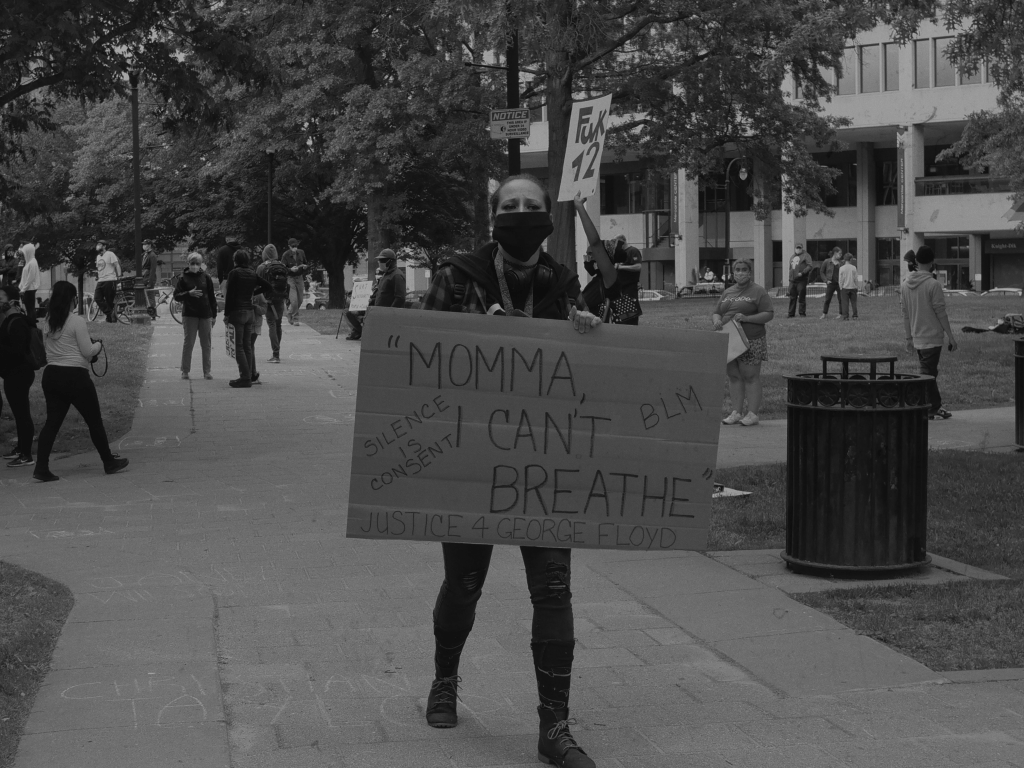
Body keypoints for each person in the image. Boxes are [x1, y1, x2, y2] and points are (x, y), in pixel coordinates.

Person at [419, 174, 600, 768]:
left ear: (550, 216)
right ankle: (445, 679)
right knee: (465, 584)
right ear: (492, 215)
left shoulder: (565, 284)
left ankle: (555, 726)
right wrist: (477, 333)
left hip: (544, 464)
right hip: (473, 459)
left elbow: (603, 375)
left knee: (553, 586)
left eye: (532, 206)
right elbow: (423, 360)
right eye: (509, 206)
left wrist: (593, 336)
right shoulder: (456, 277)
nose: (521, 214)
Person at [33, 281, 129, 482]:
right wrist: (98, 346)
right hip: (75, 377)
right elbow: (87, 352)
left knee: (52, 423)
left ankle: (41, 467)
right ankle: (108, 461)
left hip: (52, 375)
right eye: (75, 297)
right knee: (94, 421)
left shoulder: (48, 321)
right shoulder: (76, 321)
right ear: (71, 299)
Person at [713, 259, 774, 427]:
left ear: (750, 272)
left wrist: (747, 318)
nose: (740, 273)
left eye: (743, 269)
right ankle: (736, 411)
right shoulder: (728, 292)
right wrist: (717, 321)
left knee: (750, 376)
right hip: (729, 338)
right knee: (734, 376)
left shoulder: (758, 291)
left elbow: (768, 313)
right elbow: (717, 312)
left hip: (751, 340)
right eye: (737, 270)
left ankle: (752, 413)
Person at [900, 245, 957, 419]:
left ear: (916, 261)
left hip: (917, 337)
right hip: (933, 338)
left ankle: (932, 407)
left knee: (929, 373)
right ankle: (921, 405)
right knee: (927, 374)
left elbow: (906, 315)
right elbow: (941, 313)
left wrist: (909, 337)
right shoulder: (934, 285)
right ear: (932, 262)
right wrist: (951, 337)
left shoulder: (905, 285)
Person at [573, 200, 643, 324]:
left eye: (591, 255)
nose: (587, 259)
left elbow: (595, 242)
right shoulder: (598, 281)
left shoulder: (609, 279)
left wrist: (580, 207)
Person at [222, 250, 273, 388]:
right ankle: (250, 374)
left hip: (237, 311)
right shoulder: (252, 273)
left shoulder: (234, 273)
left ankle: (244, 377)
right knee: (247, 346)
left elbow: (230, 296)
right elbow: (268, 286)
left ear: (235, 260)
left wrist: (226, 314)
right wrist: (251, 292)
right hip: (250, 312)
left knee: (238, 346)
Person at [0, 286, 36, 467]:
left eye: (1, 298)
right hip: (14, 373)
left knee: (22, 414)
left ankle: (26, 454)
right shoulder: (10, 320)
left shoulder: (17, 321)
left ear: (12, 301)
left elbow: (17, 350)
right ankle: (21, 448)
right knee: (19, 413)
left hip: (19, 373)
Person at [174, 253, 218, 380]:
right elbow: (177, 296)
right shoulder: (183, 278)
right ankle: (185, 370)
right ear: (188, 264)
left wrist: (214, 315)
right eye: (192, 263)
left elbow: (211, 297)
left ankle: (207, 371)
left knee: (206, 344)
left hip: (205, 314)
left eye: (197, 264)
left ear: (200, 265)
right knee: (189, 343)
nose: (194, 266)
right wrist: (188, 293)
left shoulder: (206, 277)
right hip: (189, 314)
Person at [255, 245, 288, 363]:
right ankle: (277, 352)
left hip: (267, 299)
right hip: (280, 298)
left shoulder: (262, 267)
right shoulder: (282, 266)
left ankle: (275, 354)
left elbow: (257, 283)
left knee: (271, 324)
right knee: (278, 324)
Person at [343, 269, 382, 341]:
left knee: (349, 312)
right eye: (376, 274)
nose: (377, 276)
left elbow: (380, 298)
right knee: (346, 311)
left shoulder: (381, 286)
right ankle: (357, 330)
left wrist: (371, 300)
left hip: (371, 308)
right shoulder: (375, 286)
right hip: (364, 306)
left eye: (379, 274)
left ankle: (358, 331)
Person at [94, 239, 122, 323]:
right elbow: (99, 268)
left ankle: (111, 320)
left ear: (104, 246)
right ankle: (110, 313)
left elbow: (116, 265)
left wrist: (119, 276)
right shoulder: (98, 256)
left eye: (100, 244)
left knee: (109, 300)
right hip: (101, 280)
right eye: (97, 244)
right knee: (97, 298)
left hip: (110, 280)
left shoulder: (110, 254)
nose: (98, 246)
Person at [282, 238, 308, 325]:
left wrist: (304, 267)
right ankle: (296, 318)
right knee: (294, 300)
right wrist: (290, 269)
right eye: (293, 246)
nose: (295, 248)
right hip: (290, 278)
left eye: (296, 246)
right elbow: (282, 268)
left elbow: (305, 262)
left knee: (300, 300)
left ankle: (289, 313)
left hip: (299, 277)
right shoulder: (285, 255)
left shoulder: (301, 252)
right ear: (289, 246)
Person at [17, 241, 41, 325]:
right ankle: (31, 324)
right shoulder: (29, 262)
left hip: (29, 289)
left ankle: (32, 325)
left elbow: (30, 278)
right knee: (29, 308)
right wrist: (21, 287)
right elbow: (25, 278)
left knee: (30, 308)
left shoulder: (32, 263)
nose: (23, 255)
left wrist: (23, 289)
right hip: (27, 289)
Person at [786, 244, 812, 318]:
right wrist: (790, 278)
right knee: (792, 297)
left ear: (802, 248)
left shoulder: (806, 255)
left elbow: (809, 266)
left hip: (801, 280)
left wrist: (803, 273)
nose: (798, 249)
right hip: (792, 280)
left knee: (801, 297)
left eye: (799, 248)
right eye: (797, 248)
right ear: (795, 248)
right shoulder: (792, 256)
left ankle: (802, 313)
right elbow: (790, 268)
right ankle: (791, 314)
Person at [819, 247, 843, 319]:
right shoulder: (827, 261)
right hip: (831, 283)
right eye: (839, 253)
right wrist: (826, 280)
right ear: (835, 253)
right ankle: (824, 313)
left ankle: (840, 314)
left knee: (840, 299)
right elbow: (821, 272)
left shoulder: (841, 263)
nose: (841, 255)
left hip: (839, 283)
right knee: (827, 299)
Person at [140, 239, 160, 319]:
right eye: (143, 244)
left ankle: (153, 314)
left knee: (150, 296)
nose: (144, 246)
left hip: (149, 277)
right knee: (146, 295)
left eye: (145, 244)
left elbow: (153, 269)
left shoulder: (152, 255)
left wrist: (150, 281)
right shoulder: (145, 254)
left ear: (149, 245)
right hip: (145, 276)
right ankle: (150, 313)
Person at [251, 291, 266, 385]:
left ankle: (252, 374)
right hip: (244, 321)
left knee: (249, 346)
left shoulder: (259, 294)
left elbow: (264, 310)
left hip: (255, 323)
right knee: (248, 347)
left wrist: (255, 306)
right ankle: (252, 373)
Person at [839, 253, 859, 320]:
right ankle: (855, 315)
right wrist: (857, 286)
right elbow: (856, 278)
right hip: (853, 287)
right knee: (854, 302)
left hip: (845, 287)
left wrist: (841, 286)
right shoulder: (853, 267)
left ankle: (845, 316)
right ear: (850, 259)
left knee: (845, 303)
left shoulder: (841, 268)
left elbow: (840, 279)